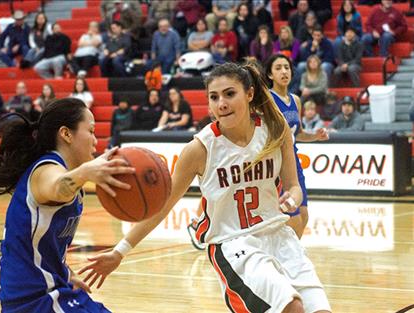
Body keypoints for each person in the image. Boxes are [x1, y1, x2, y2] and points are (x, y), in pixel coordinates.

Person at [77, 62, 332, 313]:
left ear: (250, 94)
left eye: (230, 94)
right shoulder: (200, 149)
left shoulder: (276, 130)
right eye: (214, 97)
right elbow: (162, 206)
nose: (221, 103)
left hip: (279, 235)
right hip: (233, 243)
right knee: (292, 306)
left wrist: (290, 199)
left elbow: (294, 187)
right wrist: (120, 252)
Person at [0, 98, 135, 312]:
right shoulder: (46, 171)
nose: (96, 140)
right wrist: (86, 172)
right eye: (91, 131)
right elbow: (57, 187)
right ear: (66, 134)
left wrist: (66, 272)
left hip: (50, 292)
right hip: (34, 301)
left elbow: (39, 247)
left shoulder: (64, 173)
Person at [265, 53, 329, 238]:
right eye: (278, 68)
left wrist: (315, 136)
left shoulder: (296, 100)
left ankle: (292, 255)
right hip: (277, 161)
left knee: (304, 215)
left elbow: (298, 134)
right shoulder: (267, 100)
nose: (284, 71)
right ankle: (288, 258)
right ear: (270, 75)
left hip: (293, 159)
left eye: (286, 67)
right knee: (292, 217)